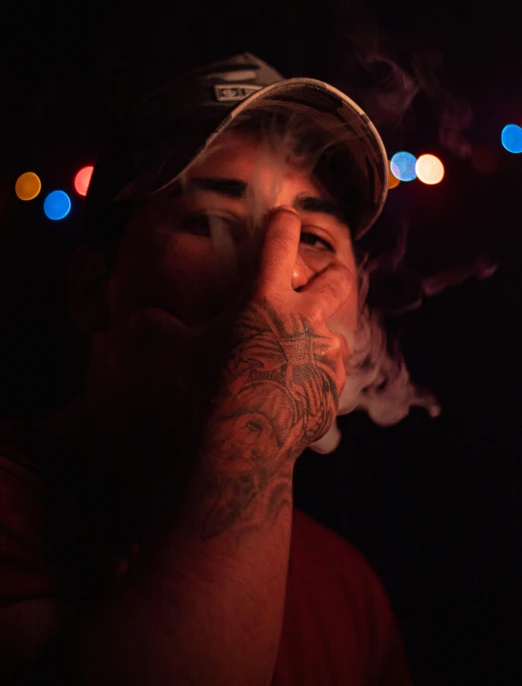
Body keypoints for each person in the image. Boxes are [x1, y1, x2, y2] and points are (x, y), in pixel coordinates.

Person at [0, 52, 413, 685]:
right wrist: (263, 412)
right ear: (91, 288)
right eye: (212, 222)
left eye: (313, 238)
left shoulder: (346, 587)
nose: (272, 275)